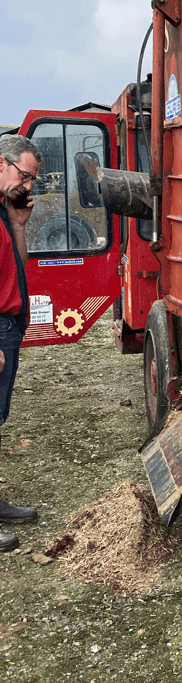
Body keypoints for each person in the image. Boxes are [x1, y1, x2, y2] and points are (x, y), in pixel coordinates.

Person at [0, 134, 42, 552]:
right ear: (2, 162)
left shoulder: (3, 210)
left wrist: (17, 226)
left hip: (8, 324)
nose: (27, 187)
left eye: (31, 180)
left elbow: (18, 265)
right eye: (24, 176)